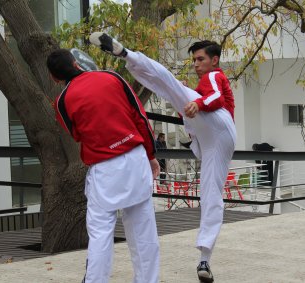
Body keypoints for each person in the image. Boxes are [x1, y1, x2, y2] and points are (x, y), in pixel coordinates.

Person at [89, 32, 237, 283]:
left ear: (215, 60)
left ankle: (126, 54)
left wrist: (199, 105)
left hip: (219, 125)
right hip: (218, 140)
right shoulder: (205, 82)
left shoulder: (214, 75)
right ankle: (204, 259)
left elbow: (216, 98)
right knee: (211, 194)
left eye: (200, 59)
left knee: (171, 86)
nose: (196, 64)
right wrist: (196, 110)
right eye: (194, 60)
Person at [46, 49, 160, 283]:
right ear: (76, 62)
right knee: (143, 232)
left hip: (103, 168)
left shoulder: (61, 102)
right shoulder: (112, 77)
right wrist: (151, 155)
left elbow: (76, 135)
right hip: (135, 159)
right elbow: (140, 117)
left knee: (100, 235)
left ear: (54, 78)